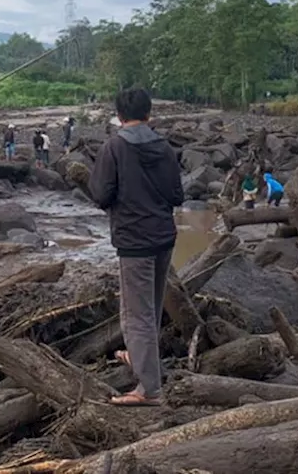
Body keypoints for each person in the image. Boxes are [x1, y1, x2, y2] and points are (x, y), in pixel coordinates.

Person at [86, 88, 184, 407]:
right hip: (164, 236)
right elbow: (177, 196)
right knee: (150, 309)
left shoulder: (114, 147)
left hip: (134, 240)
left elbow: (100, 194)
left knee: (135, 315)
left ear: (120, 115)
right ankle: (143, 361)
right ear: (149, 113)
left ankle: (149, 390)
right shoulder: (165, 147)